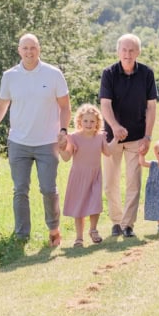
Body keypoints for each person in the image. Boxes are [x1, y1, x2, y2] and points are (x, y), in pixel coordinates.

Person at [0, 34, 71, 246]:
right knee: (20, 189)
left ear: (39, 49)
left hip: (47, 142)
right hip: (19, 142)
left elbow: (65, 106)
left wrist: (63, 130)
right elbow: (1, 106)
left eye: (33, 48)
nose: (29, 52)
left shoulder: (53, 74)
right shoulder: (10, 76)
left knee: (48, 189)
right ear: (19, 50)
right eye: (25, 48)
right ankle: (22, 235)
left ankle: (54, 229)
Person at [99, 34, 158, 239]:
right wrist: (115, 127)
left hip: (137, 137)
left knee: (134, 182)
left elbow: (151, 107)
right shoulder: (109, 73)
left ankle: (128, 225)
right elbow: (105, 104)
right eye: (124, 50)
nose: (127, 54)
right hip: (112, 138)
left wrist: (148, 136)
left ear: (138, 52)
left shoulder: (147, 74)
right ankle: (116, 222)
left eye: (132, 50)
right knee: (110, 182)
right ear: (118, 52)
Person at [59, 104, 109, 248]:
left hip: (95, 175)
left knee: (95, 204)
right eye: (85, 121)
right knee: (79, 207)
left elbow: (108, 152)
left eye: (92, 121)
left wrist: (116, 140)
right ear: (80, 121)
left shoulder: (100, 136)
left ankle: (93, 230)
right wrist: (61, 148)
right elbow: (67, 157)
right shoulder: (73, 137)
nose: (88, 124)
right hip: (79, 177)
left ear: (97, 123)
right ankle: (79, 237)